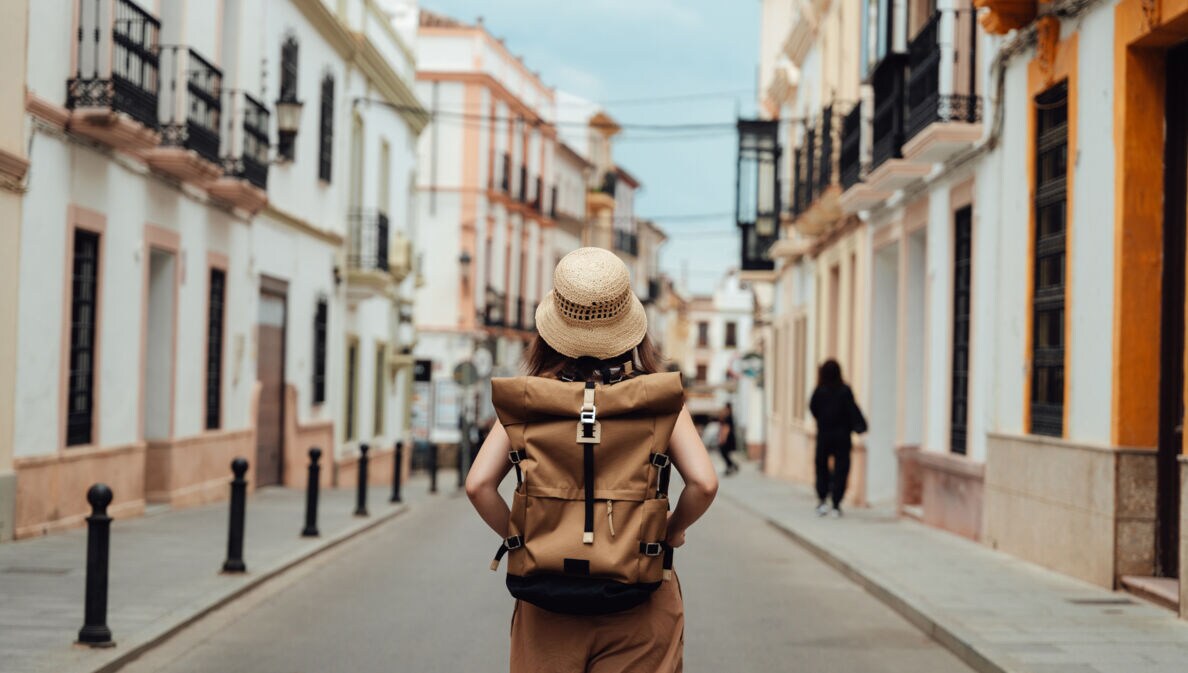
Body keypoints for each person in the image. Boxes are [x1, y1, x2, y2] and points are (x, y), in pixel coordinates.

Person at [465, 247, 719, 673]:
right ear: (630, 324)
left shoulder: (530, 399)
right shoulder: (656, 399)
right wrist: (670, 532)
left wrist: (523, 538)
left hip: (547, 604)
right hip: (640, 594)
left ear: (551, 326)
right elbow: (704, 484)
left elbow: (478, 486)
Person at [809, 359, 866, 517]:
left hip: (824, 435)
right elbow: (852, 409)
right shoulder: (844, 390)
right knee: (841, 468)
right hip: (842, 436)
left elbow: (813, 408)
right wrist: (857, 425)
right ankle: (836, 502)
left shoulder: (820, 391)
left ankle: (822, 499)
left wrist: (823, 420)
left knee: (821, 467)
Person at [717, 402, 739, 475]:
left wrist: (723, 438)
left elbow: (726, 428)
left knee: (723, 452)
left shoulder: (728, 417)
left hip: (727, 438)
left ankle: (731, 466)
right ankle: (731, 466)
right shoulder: (730, 416)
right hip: (730, 437)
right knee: (725, 453)